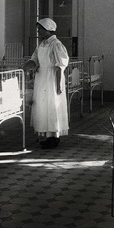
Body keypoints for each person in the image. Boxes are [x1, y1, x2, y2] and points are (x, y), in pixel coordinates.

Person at [22, 18, 69, 149]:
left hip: (52, 78)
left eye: (40, 29)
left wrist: (59, 84)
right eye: (38, 29)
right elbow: (34, 59)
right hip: (42, 77)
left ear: (48, 29)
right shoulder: (42, 44)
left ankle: (54, 137)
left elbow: (61, 65)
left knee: (52, 106)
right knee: (43, 107)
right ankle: (47, 135)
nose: (38, 32)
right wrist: (24, 66)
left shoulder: (56, 44)